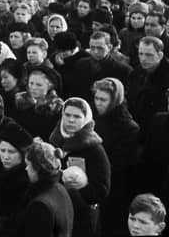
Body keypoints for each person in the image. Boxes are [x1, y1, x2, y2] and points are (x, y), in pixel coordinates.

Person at [48, 98, 111, 237]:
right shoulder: (54, 140)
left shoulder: (94, 148)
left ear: (86, 119)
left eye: (77, 116)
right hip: (55, 212)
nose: (71, 120)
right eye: (67, 115)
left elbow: (102, 189)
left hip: (82, 217)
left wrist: (74, 195)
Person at [90, 78, 139, 236]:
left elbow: (119, 163)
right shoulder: (95, 119)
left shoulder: (128, 127)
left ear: (115, 100)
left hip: (114, 188)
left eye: (103, 100)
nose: (98, 103)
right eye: (96, 98)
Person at [14, 141, 73, 237]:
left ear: (38, 168)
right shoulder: (60, 189)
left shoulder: (40, 205)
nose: (26, 169)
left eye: (28, 164)